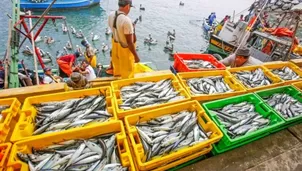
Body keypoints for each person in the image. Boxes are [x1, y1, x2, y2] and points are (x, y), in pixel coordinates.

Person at [108, 0, 140, 79]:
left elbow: (114, 29)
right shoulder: (126, 20)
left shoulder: (111, 14)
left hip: (115, 47)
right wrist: (136, 56)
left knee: (117, 69)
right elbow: (130, 42)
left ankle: (117, 79)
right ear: (127, 6)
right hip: (125, 52)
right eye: (130, 8)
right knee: (128, 73)